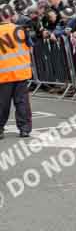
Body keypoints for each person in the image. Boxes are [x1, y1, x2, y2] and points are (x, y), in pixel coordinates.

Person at [0, 11, 33, 139]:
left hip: (3, 75)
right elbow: (30, 46)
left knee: (2, 103)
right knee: (22, 102)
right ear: (9, 17)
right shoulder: (20, 30)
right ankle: (24, 129)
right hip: (21, 73)